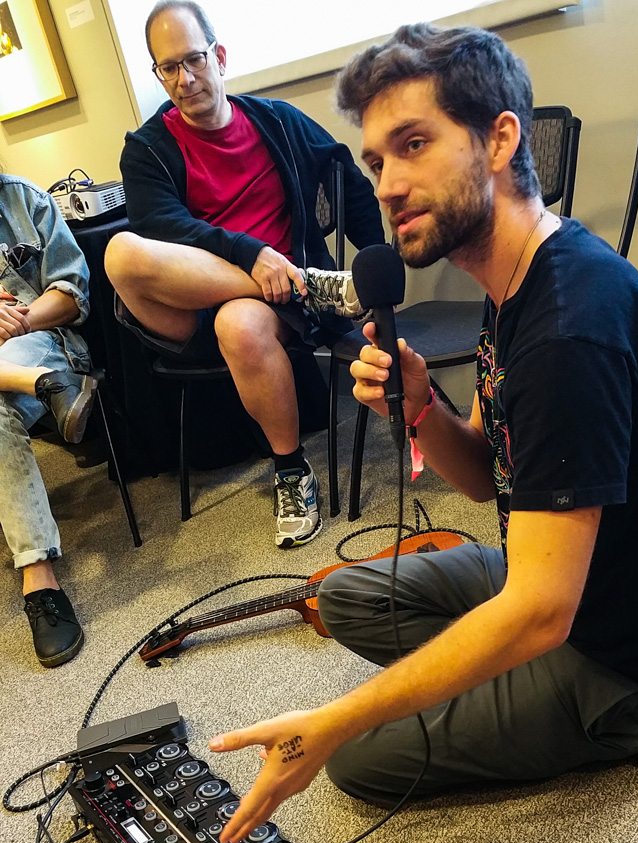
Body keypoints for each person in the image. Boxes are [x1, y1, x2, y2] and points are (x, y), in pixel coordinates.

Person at [207, 23, 638, 843]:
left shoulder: (570, 328)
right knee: (342, 595)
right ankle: (487, 680)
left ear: (498, 139)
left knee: (355, 757)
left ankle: (627, 723)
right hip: (558, 561)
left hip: (618, 645)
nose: (385, 184)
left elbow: (539, 614)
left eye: (413, 144)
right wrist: (421, 404)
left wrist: (335, 720)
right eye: (377, 160)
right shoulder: (518, 276)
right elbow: (491, 478)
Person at [104, 0, 385, 549]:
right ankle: (313, 286)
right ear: (156, 73)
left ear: (220, 56)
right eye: (168, 68)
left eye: (195, 60)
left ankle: (290, 471)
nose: (185, 80)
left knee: (240, 323)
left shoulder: (278, 120)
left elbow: (346, 176)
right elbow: (162, 226)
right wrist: (252, 255)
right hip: (192, 304)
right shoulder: (146, 150)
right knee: (120, 252)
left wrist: (376, 266)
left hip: (269, 313)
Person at [0, 172, 97, 667]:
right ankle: (42, 386)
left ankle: (38, 577)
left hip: (44, 343)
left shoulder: (24, 200)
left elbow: (73, 293)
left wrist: (20, 319)